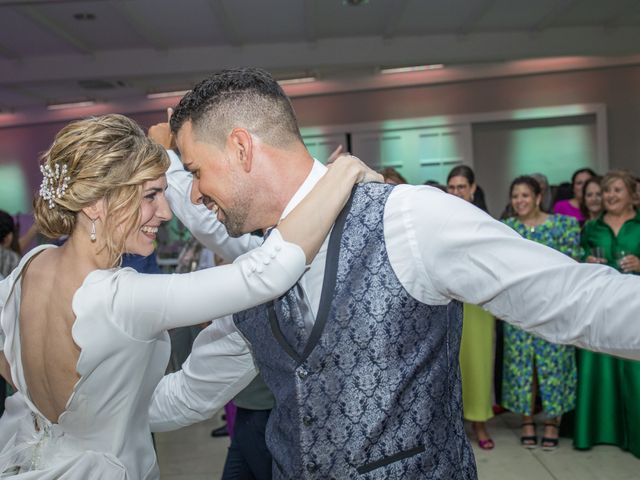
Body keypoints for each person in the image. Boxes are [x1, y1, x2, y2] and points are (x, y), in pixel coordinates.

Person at [148, 68, 640, 480]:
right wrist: (84, 411)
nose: (193, 195)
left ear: (241, 148)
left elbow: (578, 301)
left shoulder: (409, 218)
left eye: (194, 171)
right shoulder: (253, 270)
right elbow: (190, 392)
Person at [0, 113, 379, 479]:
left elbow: (11, 363)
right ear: (95, 203)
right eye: (151, 195)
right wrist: (341, 174)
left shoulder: (29, 267)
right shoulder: (122, 298)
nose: (165, 212)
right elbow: (265, 273)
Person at [501, 176, 579, 450]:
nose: (519, 201)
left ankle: (551, 422)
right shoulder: (506, 229)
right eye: (515, 196)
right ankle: (526, 420)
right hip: (518, 311)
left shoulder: (562, 226)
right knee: (523, 367)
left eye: (525, 195)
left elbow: (571, 265)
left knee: (554, 365)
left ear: (537, 197)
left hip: (553, 308)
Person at [576, 170, 640, 458]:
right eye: (607, 191)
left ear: (632, 194)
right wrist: (586, 261)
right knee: (599, 367)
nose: (610, 196)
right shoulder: (592, 227)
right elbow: (578, 262)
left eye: (617, 190)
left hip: (635, 306)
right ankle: (599, 431)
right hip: (601, 307)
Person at [446, 166, 495, 450]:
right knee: (453, 364)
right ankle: (455, 423)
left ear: (473, 189)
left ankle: (480, 422)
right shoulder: (440, 217)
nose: (456, 192)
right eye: (452, 187)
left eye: (461, 187)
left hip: (477, 300)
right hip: (446, 298)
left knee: (478, 362)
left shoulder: (483, 220)